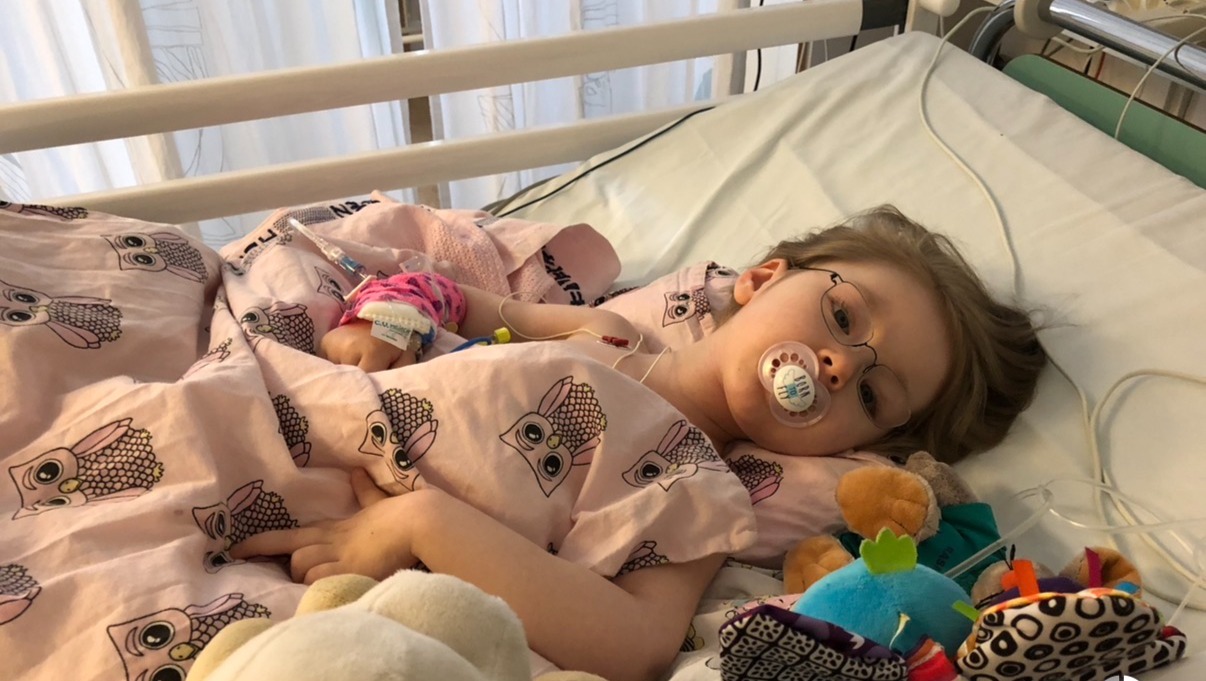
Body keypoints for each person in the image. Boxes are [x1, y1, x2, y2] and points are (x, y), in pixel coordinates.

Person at [235, 206, 1046, 681]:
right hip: (310, 417)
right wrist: (390, 315)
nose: (838, 365)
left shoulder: (702, 491)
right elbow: (458, 302)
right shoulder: (604, 330)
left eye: (870, 393)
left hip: (359, 546)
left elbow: (637, 644)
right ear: (762, 279)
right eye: (840, 316)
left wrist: (421, 523)